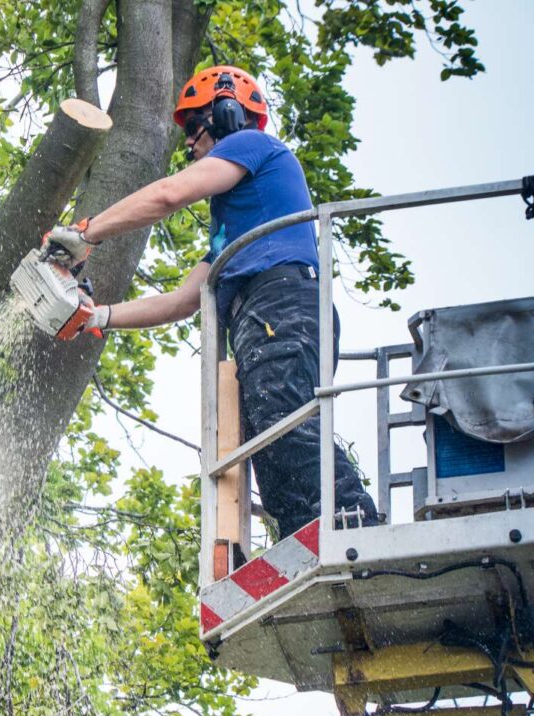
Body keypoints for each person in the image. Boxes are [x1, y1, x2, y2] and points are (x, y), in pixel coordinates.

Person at [47, 65, 378, 538]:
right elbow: (183, 302)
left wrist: (84, 233)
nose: (188, 143)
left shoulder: (252, 145)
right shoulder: (234, 237)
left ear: (226, 113)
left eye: (194, 126)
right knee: (269, 437)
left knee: (284, 417)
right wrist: (95, 315)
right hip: (263, 312)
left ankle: (351, 526)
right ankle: (303, 538)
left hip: (281, 301)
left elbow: (167, 194)